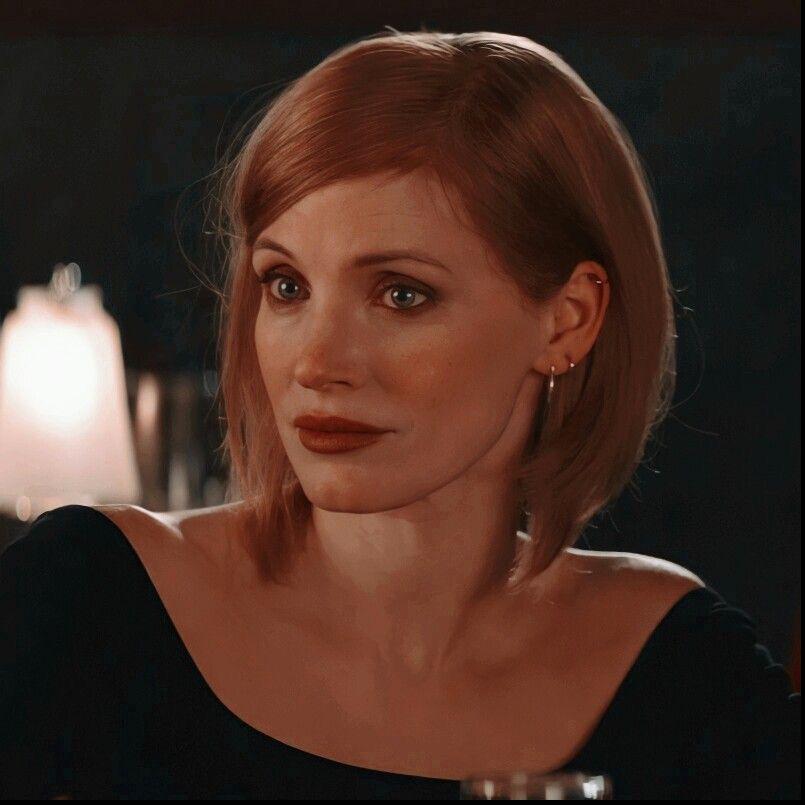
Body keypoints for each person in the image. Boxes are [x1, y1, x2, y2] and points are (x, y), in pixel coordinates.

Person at [0, 29, 800, 800]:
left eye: (401, 294)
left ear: (568, 320)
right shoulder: (84, 607)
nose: (317, 362)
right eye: (286, 286)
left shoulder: (685, 676)